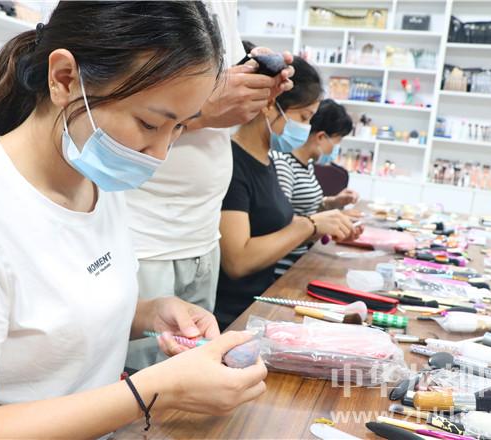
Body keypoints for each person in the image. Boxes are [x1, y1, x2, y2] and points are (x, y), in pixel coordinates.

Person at [0, 3, 267, 439]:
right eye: (149, 123)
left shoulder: (97, 182)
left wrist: (150, 313)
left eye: (179, 127)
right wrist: (154, 390)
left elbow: (54, 320)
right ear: (64, 79)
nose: (159, 154)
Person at [124, 2, 294, 369]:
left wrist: (249, 90)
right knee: (142, 384)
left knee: (193, 374)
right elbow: (127, 107)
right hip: (147, 236)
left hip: (202, 235)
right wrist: (204, 111)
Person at [214, 57, 359, 329]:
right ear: (270, 104)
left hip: (260, 303)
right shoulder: (234, 163)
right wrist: (309, 225)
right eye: (303, 118)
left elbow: (271, 228)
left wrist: (323, 224)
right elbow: (238, 261)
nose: (306, 129)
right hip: (231, 316)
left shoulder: (266, 160)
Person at [272, 99, 360, 277]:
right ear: (321, 137)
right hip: (285, 266)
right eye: (337, 141)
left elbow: (305, 208)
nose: (337, 148)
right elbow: (280, 223)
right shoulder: (284, 164)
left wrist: (333, 203)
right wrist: (323, 226)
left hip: (303, 255)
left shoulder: (307, 164)